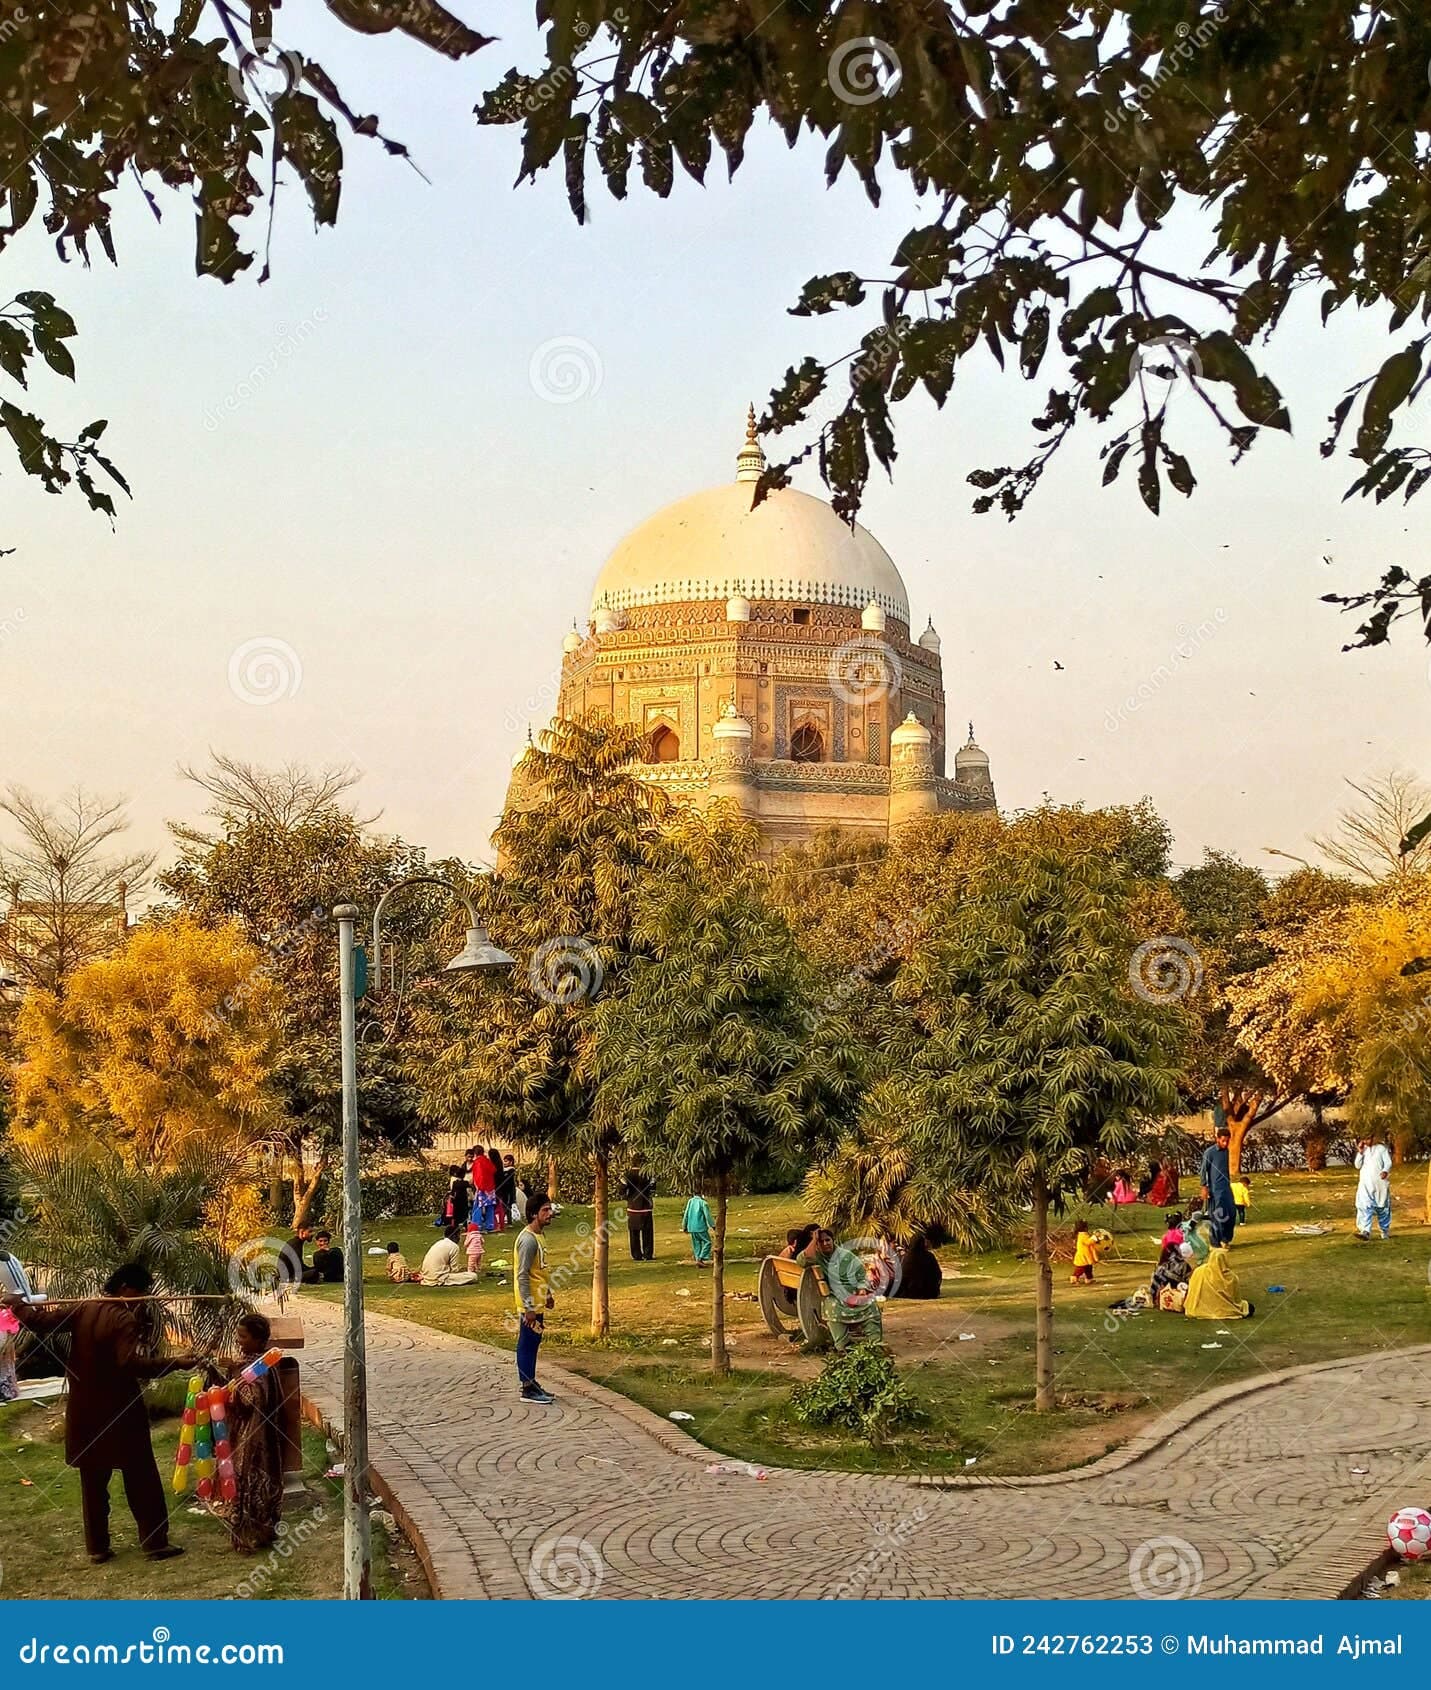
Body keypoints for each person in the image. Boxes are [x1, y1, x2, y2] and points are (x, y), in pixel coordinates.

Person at [6, 1262, 193, 1563]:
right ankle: (155, 1542)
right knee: (141, 1477)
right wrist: (175, 1363)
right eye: (141, 1292)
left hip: (85, 1412)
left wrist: (19, 1307)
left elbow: (41, 1322)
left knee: (93, 1482)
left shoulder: (85, 1308)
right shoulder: (122, 1319)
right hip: (120, 1412)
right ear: (124, 1289)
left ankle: (97, 1548)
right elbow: (130, 1364)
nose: (144, 1298)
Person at [223, 1313, 284, 1555]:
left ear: (259, 1340)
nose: (239, 1341)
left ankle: (252, 1534)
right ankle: (258, 1532)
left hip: (256, 1439)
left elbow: (251, 1399)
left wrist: (236, 1372)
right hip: (244, 1434)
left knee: (252, 1483)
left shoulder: (262, 1367)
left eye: (243, 1336)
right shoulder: (250, 1361)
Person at [800, 1228, 883, 1349]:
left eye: (828, 1240)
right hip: (834, 1297)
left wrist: (862, 1289)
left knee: (871, 1305)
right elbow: (801, 1260)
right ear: (817, 1245)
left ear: (833, 1240)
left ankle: (875, 1345)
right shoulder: (818, 1257)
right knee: (832, 1306)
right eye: (821, 1241)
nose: (825, 1243)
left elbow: (861, 1275)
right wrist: (814, 1240)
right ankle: (842, 1347)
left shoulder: (846, 1255)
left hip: (854, 1294)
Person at [514, 1194, 556, 1404]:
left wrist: (547, 1293)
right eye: (545, 1211)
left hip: (538, 1299)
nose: (550, 1214)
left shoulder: (540, 1237)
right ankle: (527, 1387)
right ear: (533, 1214)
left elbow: (540, 1270)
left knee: (534, 1341)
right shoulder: (528, 1240)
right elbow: (522, 1274)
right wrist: (528, 1307)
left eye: (550, 1209)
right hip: (529, 1303)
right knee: (527, 1343)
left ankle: (531, 1381)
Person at [1184, 1245, 1254, 1320]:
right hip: (1224, 1310)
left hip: (1196, 1310)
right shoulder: (1231, 1278)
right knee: (1249, 1307)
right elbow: (1236, 1301)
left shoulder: (1199, 1271)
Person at [1199, 1121, 1237, 1246]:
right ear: (1217, 1139)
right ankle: (1216, 1243)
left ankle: (1226, 1239)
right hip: (1215, 1190)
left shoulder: (1227, 1152)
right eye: (1223, 1141)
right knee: (1218, 1216)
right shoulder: (1209, 1153)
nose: (1225, 1143)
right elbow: (1203, 1170)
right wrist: (1204, 1187)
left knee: (1231, 1214)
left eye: (1227, 1141)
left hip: (1226, 1188)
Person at [1354, 1133, 1393, 1240]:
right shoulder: (1364, 1150)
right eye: (1364, 1139)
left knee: (1382, 1208)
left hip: (1380, 1184)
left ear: (1373, 1138)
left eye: (1368, 1139)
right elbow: (1357, 1165)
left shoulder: (1381, 1149)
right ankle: (1365, 1231)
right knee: (1364, 1206)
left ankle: (1384, 1231)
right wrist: (1360, 1152)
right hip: (1365, 1184)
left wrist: (1385, 1171)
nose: (1367, 1142)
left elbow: (1388, 1163)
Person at [623, 1161, 656, 1262]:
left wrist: (627, 1197)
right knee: (647, 1232)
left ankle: (636, 1255)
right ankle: (648, 1254)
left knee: (634, 1233)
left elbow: (621, 1189)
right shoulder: (648, 1174)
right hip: (646, 1207)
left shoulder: (627, 1174)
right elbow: (653, 1188)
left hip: (633, 1208)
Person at [894, 1234, 942, 1300]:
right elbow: (938, 1274)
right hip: (929, 1292)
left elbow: (903, 1276)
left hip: (910, 1292)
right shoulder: (929, 1256)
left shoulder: (907, 1257)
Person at [681, 1190, 714, 1265]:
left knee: (696, 1244)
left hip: (692, 1227)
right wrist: (713, 1225)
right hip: (700, 1227)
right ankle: (701, 1258)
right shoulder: (703, 1203)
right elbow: (707, 1216)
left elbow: (686, 1214)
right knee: (707, 1242)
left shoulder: (690, 1202)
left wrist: (684, 1226)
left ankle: (697, 1259)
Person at [470, 1147, 497, 1231]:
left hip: (482, 1187)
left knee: (478, 1207)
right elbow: (493, 1170)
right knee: (490, 1206)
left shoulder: (477, 1162)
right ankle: (490, 1225)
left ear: (475, 1153)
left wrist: (479, 1186)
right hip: (491, 1187)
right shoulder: (487, 1161)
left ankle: (476, 1225)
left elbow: (479, 1175)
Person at [1069, 1219, 1100, 1283]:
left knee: (1088, 1268)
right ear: (1085, 1228)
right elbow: (1088, 1242)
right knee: (1081, 1268)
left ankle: (1089, 1278)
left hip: (1086, 1254)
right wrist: (1095, 1237)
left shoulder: (1083, 1234)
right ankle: (1074, 1277)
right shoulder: (1083, 1235)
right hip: (1083, 1255)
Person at [445, 1166, 470, 1231]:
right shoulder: (465, 1183)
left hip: (456, 1201)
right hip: (464, 1201)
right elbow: (470, 1186)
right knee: (465, 1214)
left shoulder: (455, 1183)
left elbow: (453, 1191)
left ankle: (455, 1226)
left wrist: (452, 1199)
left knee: (456, 1215)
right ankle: (465, 1226)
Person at [487, 1148, 507, 1230]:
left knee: (493, 1207)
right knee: (500, 1207)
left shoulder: (491, 1165)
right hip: (501, 1188)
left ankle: (495, 1224)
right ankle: (501, 1225)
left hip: (493, 1187)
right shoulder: (500, 1164)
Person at [499, 1154, 519, 1230]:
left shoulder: (511, 1170)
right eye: (504, 1161)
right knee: (504, 1206)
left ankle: (509, 1222)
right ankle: (503, 1220)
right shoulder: (504, 1170)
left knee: (507, 1206)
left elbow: (507, 1180)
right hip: (504, 1191)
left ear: (511, 1162)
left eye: (506, 1161)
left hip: (509, 1191)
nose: (504, 1162)